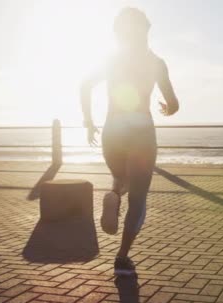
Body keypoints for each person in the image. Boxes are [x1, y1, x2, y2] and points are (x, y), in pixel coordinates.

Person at [80, 7, 179, 276]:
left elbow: (85, 85)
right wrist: (166, 108)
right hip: (142, 130)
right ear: (147, 30)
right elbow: (173, 104)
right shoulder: (157, 63)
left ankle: (113, 196)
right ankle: (122, 258)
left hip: (113, 128)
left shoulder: (111, 61)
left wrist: (89, 122)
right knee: (138, 199)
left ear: (118, 33)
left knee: (121, 180)